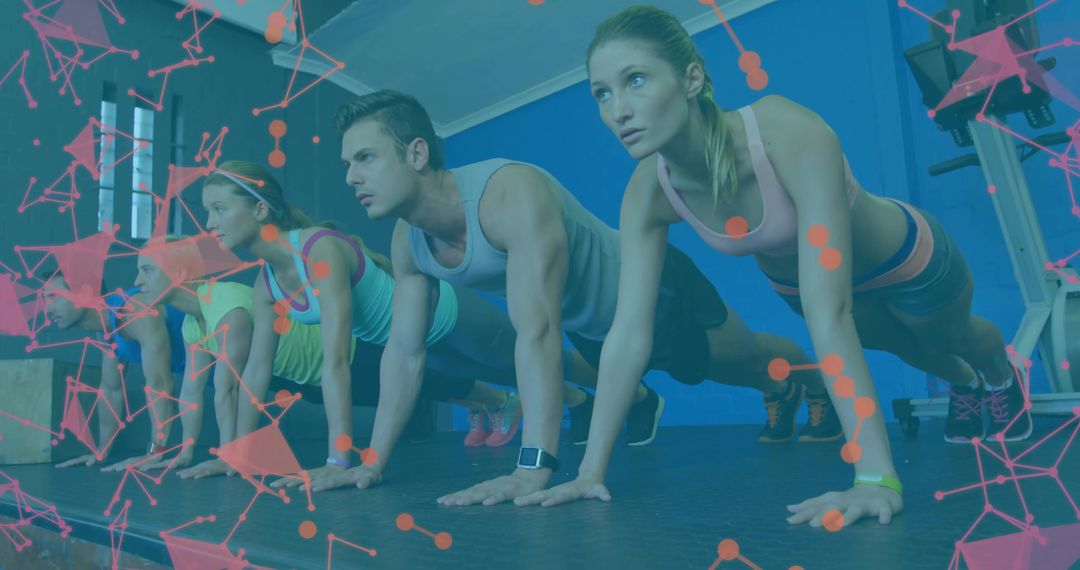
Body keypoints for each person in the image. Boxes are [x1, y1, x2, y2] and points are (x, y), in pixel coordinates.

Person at [524, 5, 1030, 528]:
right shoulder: (648, 193)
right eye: (601, 94)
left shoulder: (785, 132)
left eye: (635, 81)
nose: (618, 110)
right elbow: (629, 334)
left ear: (691, 77)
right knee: (908, 346)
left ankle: (997, 372)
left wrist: (876, 478)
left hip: (904, 259)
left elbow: (829, 315)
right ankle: (967, 385)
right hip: (805, 286)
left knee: (947, 335)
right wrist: (589, 472)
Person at [332, 89, 831, 507]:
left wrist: (532, 468)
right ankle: (667, 398)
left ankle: (802, 381)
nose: (351, 178)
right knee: (589, 366)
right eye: (347, 164)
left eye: (366, 158)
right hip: (593, 328)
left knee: (743, 361)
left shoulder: (507, 193)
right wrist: (370, 463)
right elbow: (404, 352)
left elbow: (537, 331)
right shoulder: (408, 241)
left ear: (417, 154)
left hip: (653, 288)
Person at [200, 161, 597, 491]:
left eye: (219, 208)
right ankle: (580, 402)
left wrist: (338, 460)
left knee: (543, 361)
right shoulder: (265, 284)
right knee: (509, 377)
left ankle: (625, 386)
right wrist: (239, 451)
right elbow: (256, 371)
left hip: (450, 320)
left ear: (259, 209)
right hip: (417, 350)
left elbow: (335, 362)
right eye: (207, 212)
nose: (209, 222)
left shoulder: (318, 249)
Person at [129, 239, 522, 486]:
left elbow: (231, 387)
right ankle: (486, 405)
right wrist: (183, 452)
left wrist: (234, 454)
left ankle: (501, 402)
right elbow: (192, 390)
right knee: (425, 389)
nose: (138, 280)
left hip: (344, 355)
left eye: (146, 269)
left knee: (438, 379)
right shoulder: (192, 327)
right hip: (308, 382)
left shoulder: (226, 303)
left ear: (179, 272)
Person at [41, 264, 185, 471]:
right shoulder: (106, 329)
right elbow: (111, 389)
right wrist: (101, 450)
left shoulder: (134, 309)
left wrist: (156, 453)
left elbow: (160, 383)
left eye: (53, 297)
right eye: (45, 299)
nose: (47, 308)